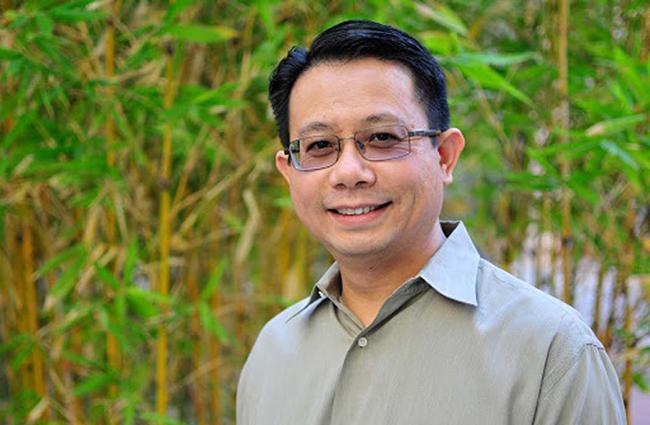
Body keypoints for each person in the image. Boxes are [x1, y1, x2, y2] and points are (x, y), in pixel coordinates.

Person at [237, 20, 626, 425]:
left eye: (383, 138)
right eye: (319, 146)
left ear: (445, 156)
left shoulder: (552, 351)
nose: (349, 172)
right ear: (289, 172)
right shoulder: (273, 352)